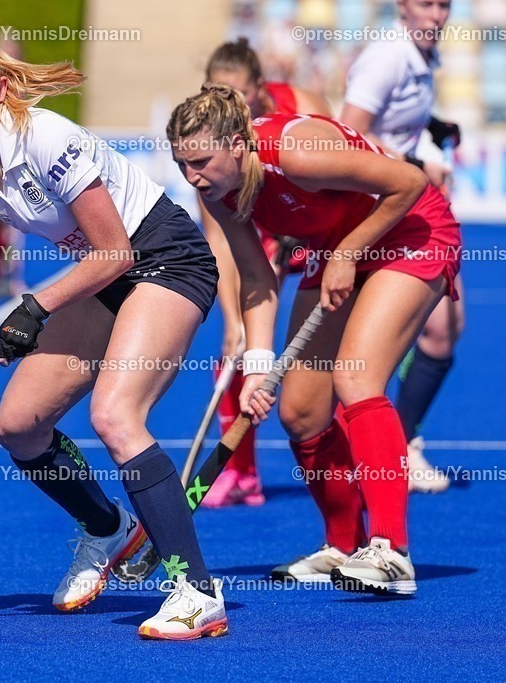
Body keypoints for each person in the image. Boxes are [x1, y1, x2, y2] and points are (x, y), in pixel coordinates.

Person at [0, 33, 226, 639]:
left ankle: (197, 591)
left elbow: (116, 251)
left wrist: (35, 307)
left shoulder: (45, 137)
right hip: (104, 275)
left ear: (3, 88)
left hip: (164, 260)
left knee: (115, 416)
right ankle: (109, 529)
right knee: (17, 425)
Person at [167, 84, 461, 595]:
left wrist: (348, 252)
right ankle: (343, 546)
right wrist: (258, 366)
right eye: (181, 163)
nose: (191, 176)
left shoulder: (296, 153)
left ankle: (392, 551)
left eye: (200, 161)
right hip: (335, 247)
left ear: (236, 145)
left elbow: (409, 183)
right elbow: (257, 277)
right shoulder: (217, 190)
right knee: (300, 412)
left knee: (356, 377)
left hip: (410, 231)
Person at [199, 37, 332, 508]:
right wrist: (234, 323)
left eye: (237, 93)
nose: (226, 104)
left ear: (260, 87)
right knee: (237, 349)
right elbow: (219, 242)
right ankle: (241, 474)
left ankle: (348, 462)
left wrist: (297, 237)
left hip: (320, 226)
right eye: (215, 93)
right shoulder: (206, 142)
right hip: (259, 233)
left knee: (330, 358)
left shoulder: (305, 107)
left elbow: (338, 179)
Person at [340, 0, 464, 493]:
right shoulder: (387, 57)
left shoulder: (421, 54)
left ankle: (398, 445)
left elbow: (391, 123)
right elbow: (349, 134)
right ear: (402, 7)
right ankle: (387, 451)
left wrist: (432, 126)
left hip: (408, 206)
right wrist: (415, 163)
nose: (436, 16)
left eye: (444, 5)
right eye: (425, 4)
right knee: (415, 340)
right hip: (378, 212)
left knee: (443, 330)